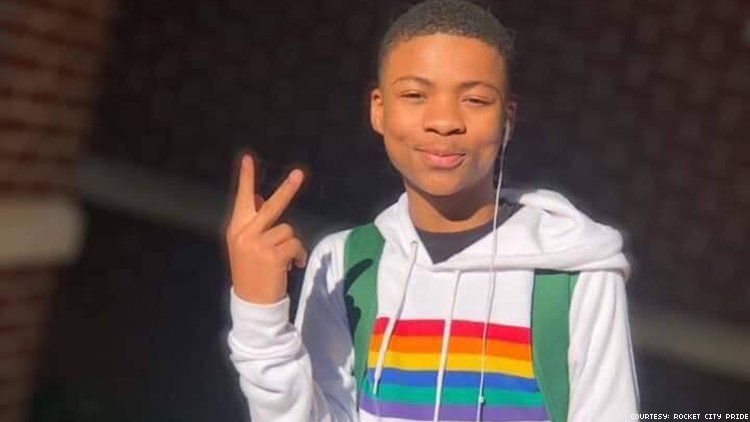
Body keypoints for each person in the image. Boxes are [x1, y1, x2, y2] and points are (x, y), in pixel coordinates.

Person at [224, 0, 640, 420]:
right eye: (415, 95)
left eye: (476, 99)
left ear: (507, 120)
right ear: (378, 110)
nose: (443, 121)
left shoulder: (573, 272)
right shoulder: (346, 263)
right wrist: (259, 316)